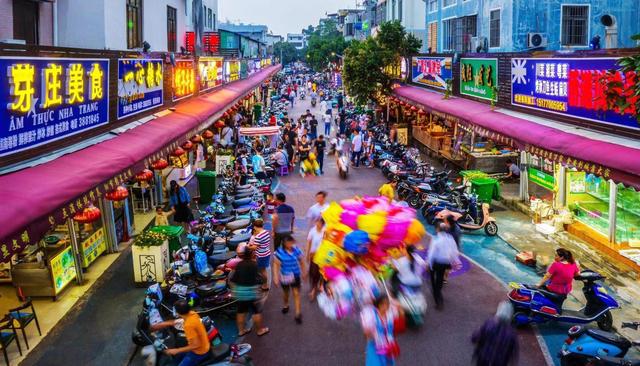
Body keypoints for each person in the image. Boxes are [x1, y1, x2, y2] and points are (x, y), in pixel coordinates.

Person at [150, 300, 210, 366]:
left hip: (199, 352)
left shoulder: (189, 325)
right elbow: (180, 320)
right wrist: (162, 324)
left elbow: (196, 345)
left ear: (178, 312)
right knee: (177, 358)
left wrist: (176, 350)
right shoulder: (193, 313)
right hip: (203, 345)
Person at [230, 248, 270, 337]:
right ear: (252, 254)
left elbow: (233, 279)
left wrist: (234, 291)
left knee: (241, 311)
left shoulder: (239, 264)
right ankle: (260, 330)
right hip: (251, 291)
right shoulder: (254, 265)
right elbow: (260, 277)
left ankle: (241, 331)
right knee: (256, 311)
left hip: (240, 291)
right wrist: (262, 286)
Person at [472, 301, 519, 366]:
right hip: (499, 362)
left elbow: (475, 337)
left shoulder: (489, 324)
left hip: (484, 358)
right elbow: (513, 351)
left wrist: (475, 338)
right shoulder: (512, 333)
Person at [361, 295, 403, 366]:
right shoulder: (371, 316)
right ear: (378, 305)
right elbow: (366, 335)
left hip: (388, 346)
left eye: (387, 304)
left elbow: (400, 322)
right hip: (375, 347)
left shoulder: (390, 314)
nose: (385, 306)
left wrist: (400, 308)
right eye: (383, 304)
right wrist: (368, 333)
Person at [273, 235, 306, 324]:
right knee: (286, 293)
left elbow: (302, 261)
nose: (290, 244)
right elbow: (276, 265)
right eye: (288, 243)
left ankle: (298, 314)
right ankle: (286, 304)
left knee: (296, 293)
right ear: (284, 243)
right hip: (285, 276)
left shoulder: (296, 250)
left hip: (295, 275)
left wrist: (304, 272)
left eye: (291, 242)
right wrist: (276, 277)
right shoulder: (279, 252)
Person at [427, 223, 460, 309]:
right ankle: (438, 291)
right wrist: (455, 261)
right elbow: (454, 251)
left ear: (437, 229)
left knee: (433, 280)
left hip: (436, 262)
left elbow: (431, 253)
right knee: (440, 278)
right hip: (445, 262)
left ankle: (438, 299)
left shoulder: (436, 239)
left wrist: (429, 263)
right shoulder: (450, 238)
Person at [248, 219, 271, 291]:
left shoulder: (258, 236)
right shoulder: (266, 232)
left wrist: (248, 246)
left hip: (261, 255)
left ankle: (265, 285)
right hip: (267, 253)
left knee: (262, 271)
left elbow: (254, 248)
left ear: (255, 227)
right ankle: (265, 284)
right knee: (263, 270)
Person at [306, 218, 325, 300]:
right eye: (317, 222)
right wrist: (307, 254)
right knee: (314, 272)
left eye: (319, 223)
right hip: (313, 255)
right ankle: (314, 288)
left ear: (322, 224)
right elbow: (309, 243)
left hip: (322, 256)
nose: (317, 224)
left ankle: (319, 285)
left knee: (321, 272)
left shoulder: (325, 231)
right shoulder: (312, 231)